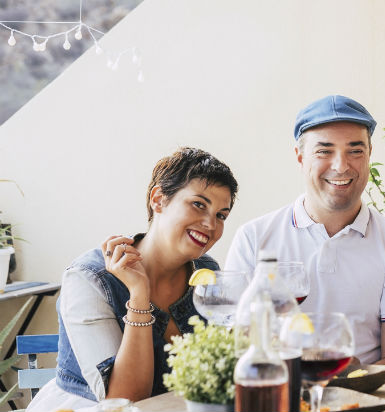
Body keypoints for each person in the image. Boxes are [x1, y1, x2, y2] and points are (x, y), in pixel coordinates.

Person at [27, 148, 238, 410]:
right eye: (199, 204)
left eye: (221, 215)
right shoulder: (88, 278)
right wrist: (139, 293)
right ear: (158, 199)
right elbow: (124, 401)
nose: (210, 224)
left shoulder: (206, 271)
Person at [225, 95, 385, 373]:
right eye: (324, 151)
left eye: (355, 151)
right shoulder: (254, 239)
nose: (341, 166)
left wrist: (351, 374)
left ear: (369, 154)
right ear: (300, 157)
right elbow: (232, 345)